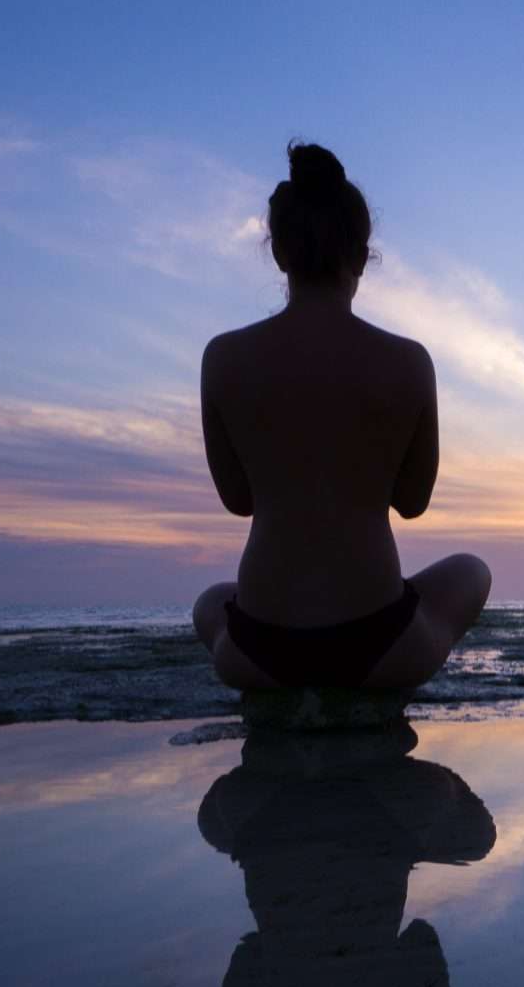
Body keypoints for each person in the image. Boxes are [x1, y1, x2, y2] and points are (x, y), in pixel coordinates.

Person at [192, 143, 492, 691]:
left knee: (210, 603)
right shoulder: (408, 361)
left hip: (262, 649)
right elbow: (413, 501)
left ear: (279, 253)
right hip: (377, 645)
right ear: (360, 257)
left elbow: (238, 500)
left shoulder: (223, 358)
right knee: (473, 570)